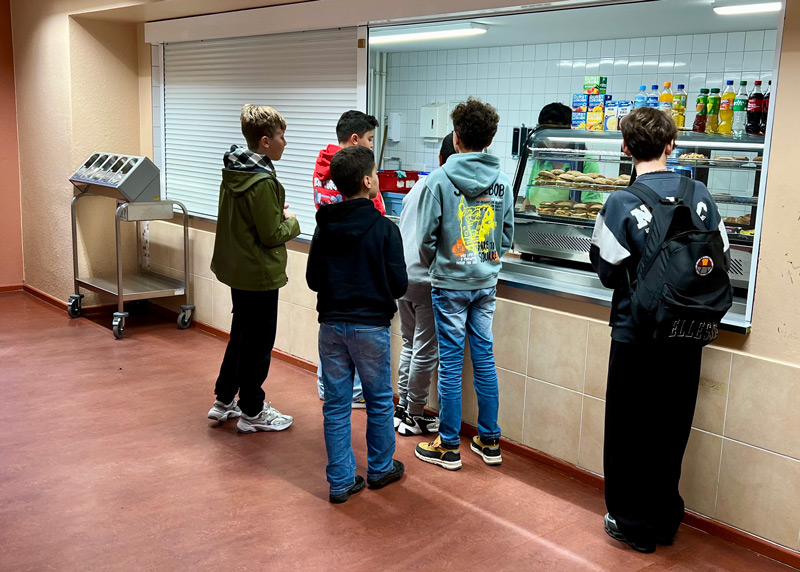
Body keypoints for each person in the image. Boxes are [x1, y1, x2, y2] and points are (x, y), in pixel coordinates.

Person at [590, 107, 730, 553]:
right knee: (672, 428)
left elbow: (606, 271)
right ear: (672, 145)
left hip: (636, 333)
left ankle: (632, 523)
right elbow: (721, 256)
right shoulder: (700, 193)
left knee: (629, 430)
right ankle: (666, 521)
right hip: (689, 331)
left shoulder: (620, 202)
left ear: (625, 148)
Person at [414, 99, 515, 471]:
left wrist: (443, 265)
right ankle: (489, 440)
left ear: (456, 137)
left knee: (451, 364)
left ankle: (448, 445)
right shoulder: (502, 182)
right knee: (484, 358)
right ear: (489, 139)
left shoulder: (438, 180)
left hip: (449, 285)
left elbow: (425, 239)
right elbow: (507, 237)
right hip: (486, 283)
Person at [306, 145, 408, 503]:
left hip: (331, 326)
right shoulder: (385, 230)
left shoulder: (324, 227)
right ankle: (380, 468)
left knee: (336, 405)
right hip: (371, 329)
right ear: (367, 181)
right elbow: (399, 285)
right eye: (375, 172)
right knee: (378, 400)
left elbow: (314, 280)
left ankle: (340, 481)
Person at [207, 104, 300, 433]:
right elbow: (271, 234)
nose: (285, 142)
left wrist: (273, 214)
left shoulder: (235, 171)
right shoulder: (262, 181)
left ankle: (224, 399)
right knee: (258, 343)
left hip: (239, 269)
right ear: (265, 141)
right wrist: (292, 222)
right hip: (259, 273)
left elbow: (248, 221)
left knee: (242, 335)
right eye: (281, 136)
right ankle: (252, 410)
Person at [312, 110, 385, 407]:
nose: (371, 145)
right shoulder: (353, 175)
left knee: (331, 332)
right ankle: (355, 392)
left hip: (331, 263)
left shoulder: (323, 167)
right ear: (355, 139)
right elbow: (373, 214)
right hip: (357, 265)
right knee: (355, 336)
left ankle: (326, 385)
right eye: (370, 139)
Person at [393, 133, 456, 436]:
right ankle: (414, 415)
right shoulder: (449, 188)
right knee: (426, 349)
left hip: (402, 275)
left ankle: (403, 406)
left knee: (410, 343)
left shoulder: (420, 184)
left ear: (440, 158)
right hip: (426, 278)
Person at [523, 102, 604, 208]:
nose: (551, 142)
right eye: (547, 135)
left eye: (557, 135)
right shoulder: (542, 159)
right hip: (535, 218)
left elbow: (593, 205)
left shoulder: (585, 161)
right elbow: (528, 199)